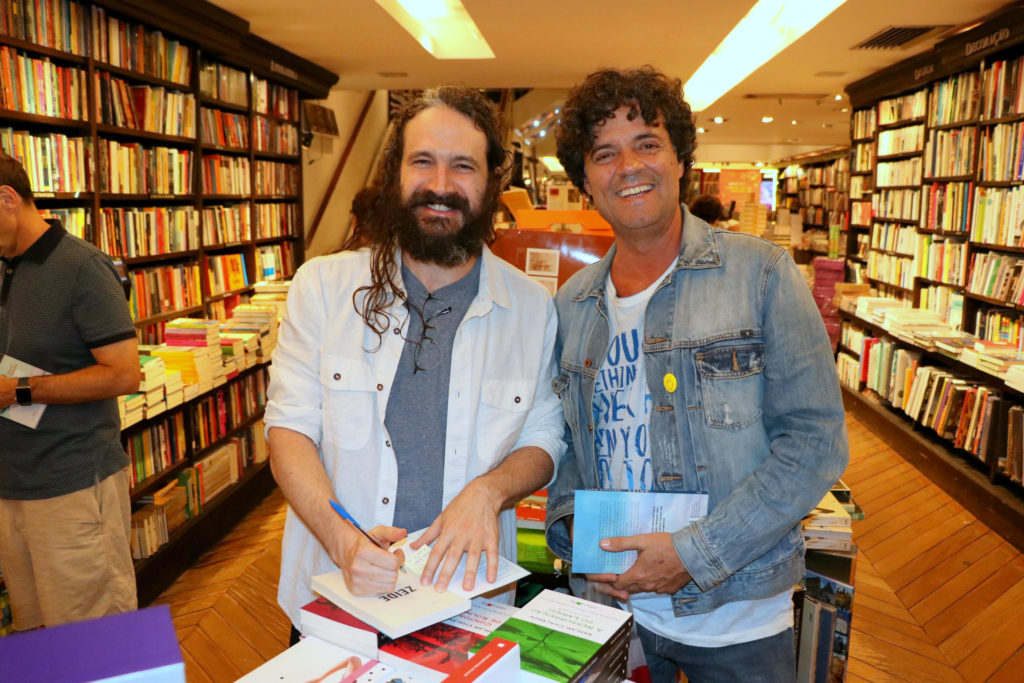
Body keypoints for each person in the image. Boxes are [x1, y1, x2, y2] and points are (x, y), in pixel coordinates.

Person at [545, 66, 849, 682]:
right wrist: (572, 530)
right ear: (586, 182)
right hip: (613, 612)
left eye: (647, 143)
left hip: (737, 618)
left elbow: (815, 444)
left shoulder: (761, 275)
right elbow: (574, 443)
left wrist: (693, 554)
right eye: (605, 153)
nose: (628, 166)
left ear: (681, 158)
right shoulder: (572, 302)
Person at [264, 86, 564, 640]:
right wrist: (342, 541)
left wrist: (489, 490)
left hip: (469, 602)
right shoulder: (324, 288)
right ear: (396, 172)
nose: (441, 186)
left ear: (494, 181)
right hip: (336, 596)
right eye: (422, 161)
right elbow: (288, 429)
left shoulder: (531, 308)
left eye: (463, 166)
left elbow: (545, 435)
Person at [0, 151, 141, 630]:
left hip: (73, 482)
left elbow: (123, 374)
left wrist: (17, 390)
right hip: (12, 484)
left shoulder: (82, 267)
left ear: (7, 199)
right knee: (36, 635)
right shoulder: (5, 264)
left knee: (94, 638)